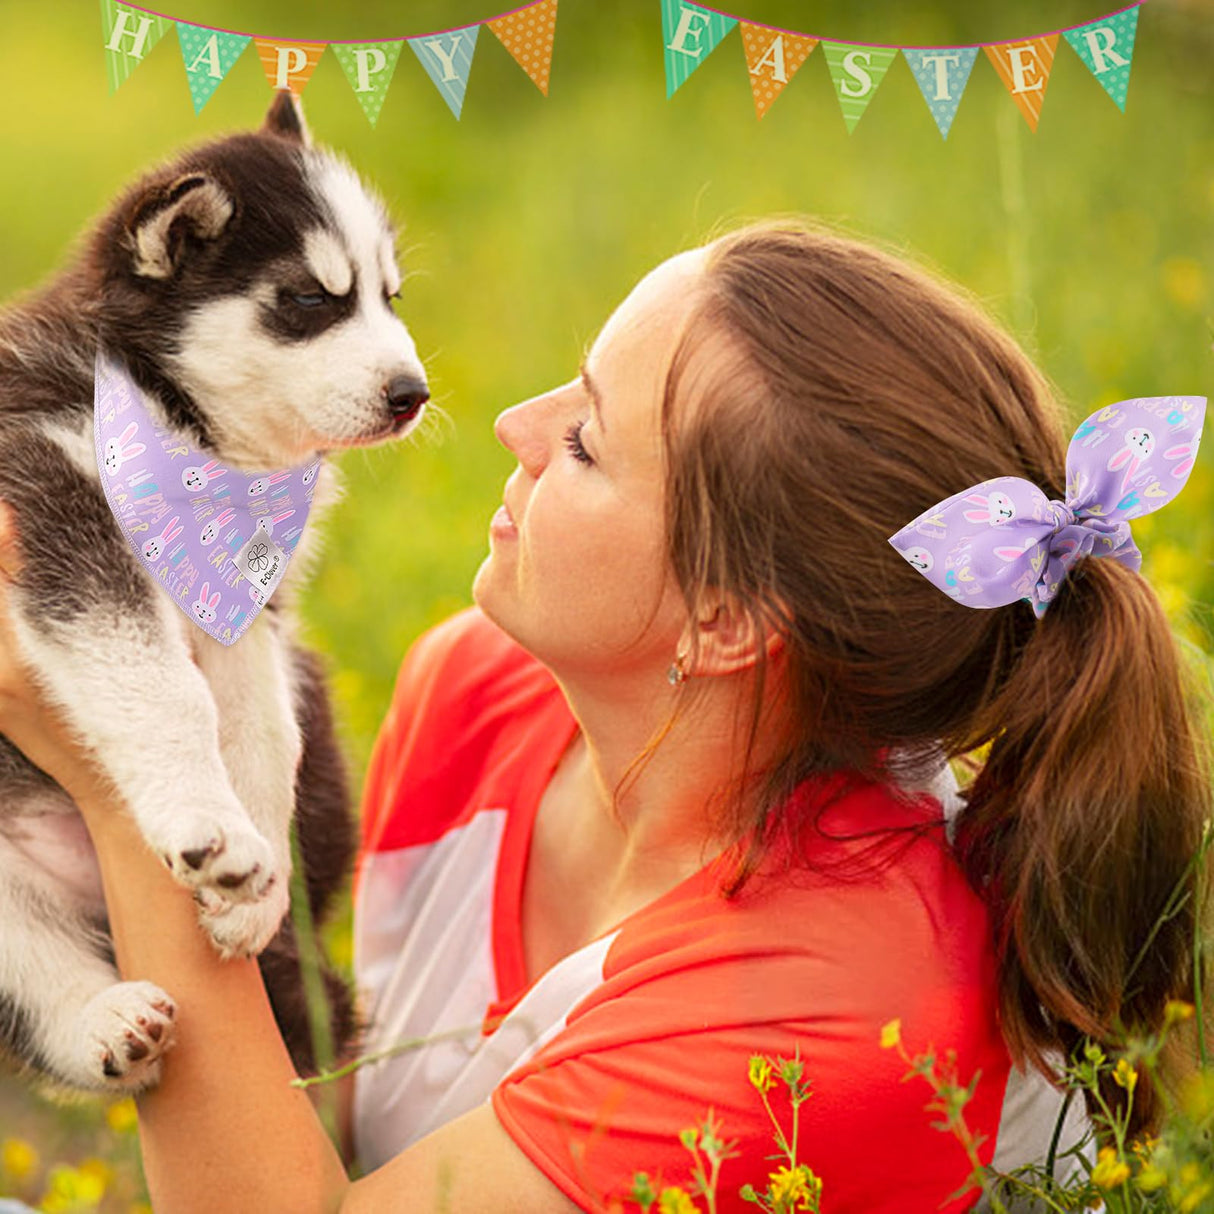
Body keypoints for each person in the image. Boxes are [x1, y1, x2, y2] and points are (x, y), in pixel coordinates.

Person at [0, 220, 1207, 1213]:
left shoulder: (820, 1011)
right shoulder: (478, 693)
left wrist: (122, 772)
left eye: (583, 438)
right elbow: (312, 1115)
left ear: (726, 622)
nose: (515, 426)